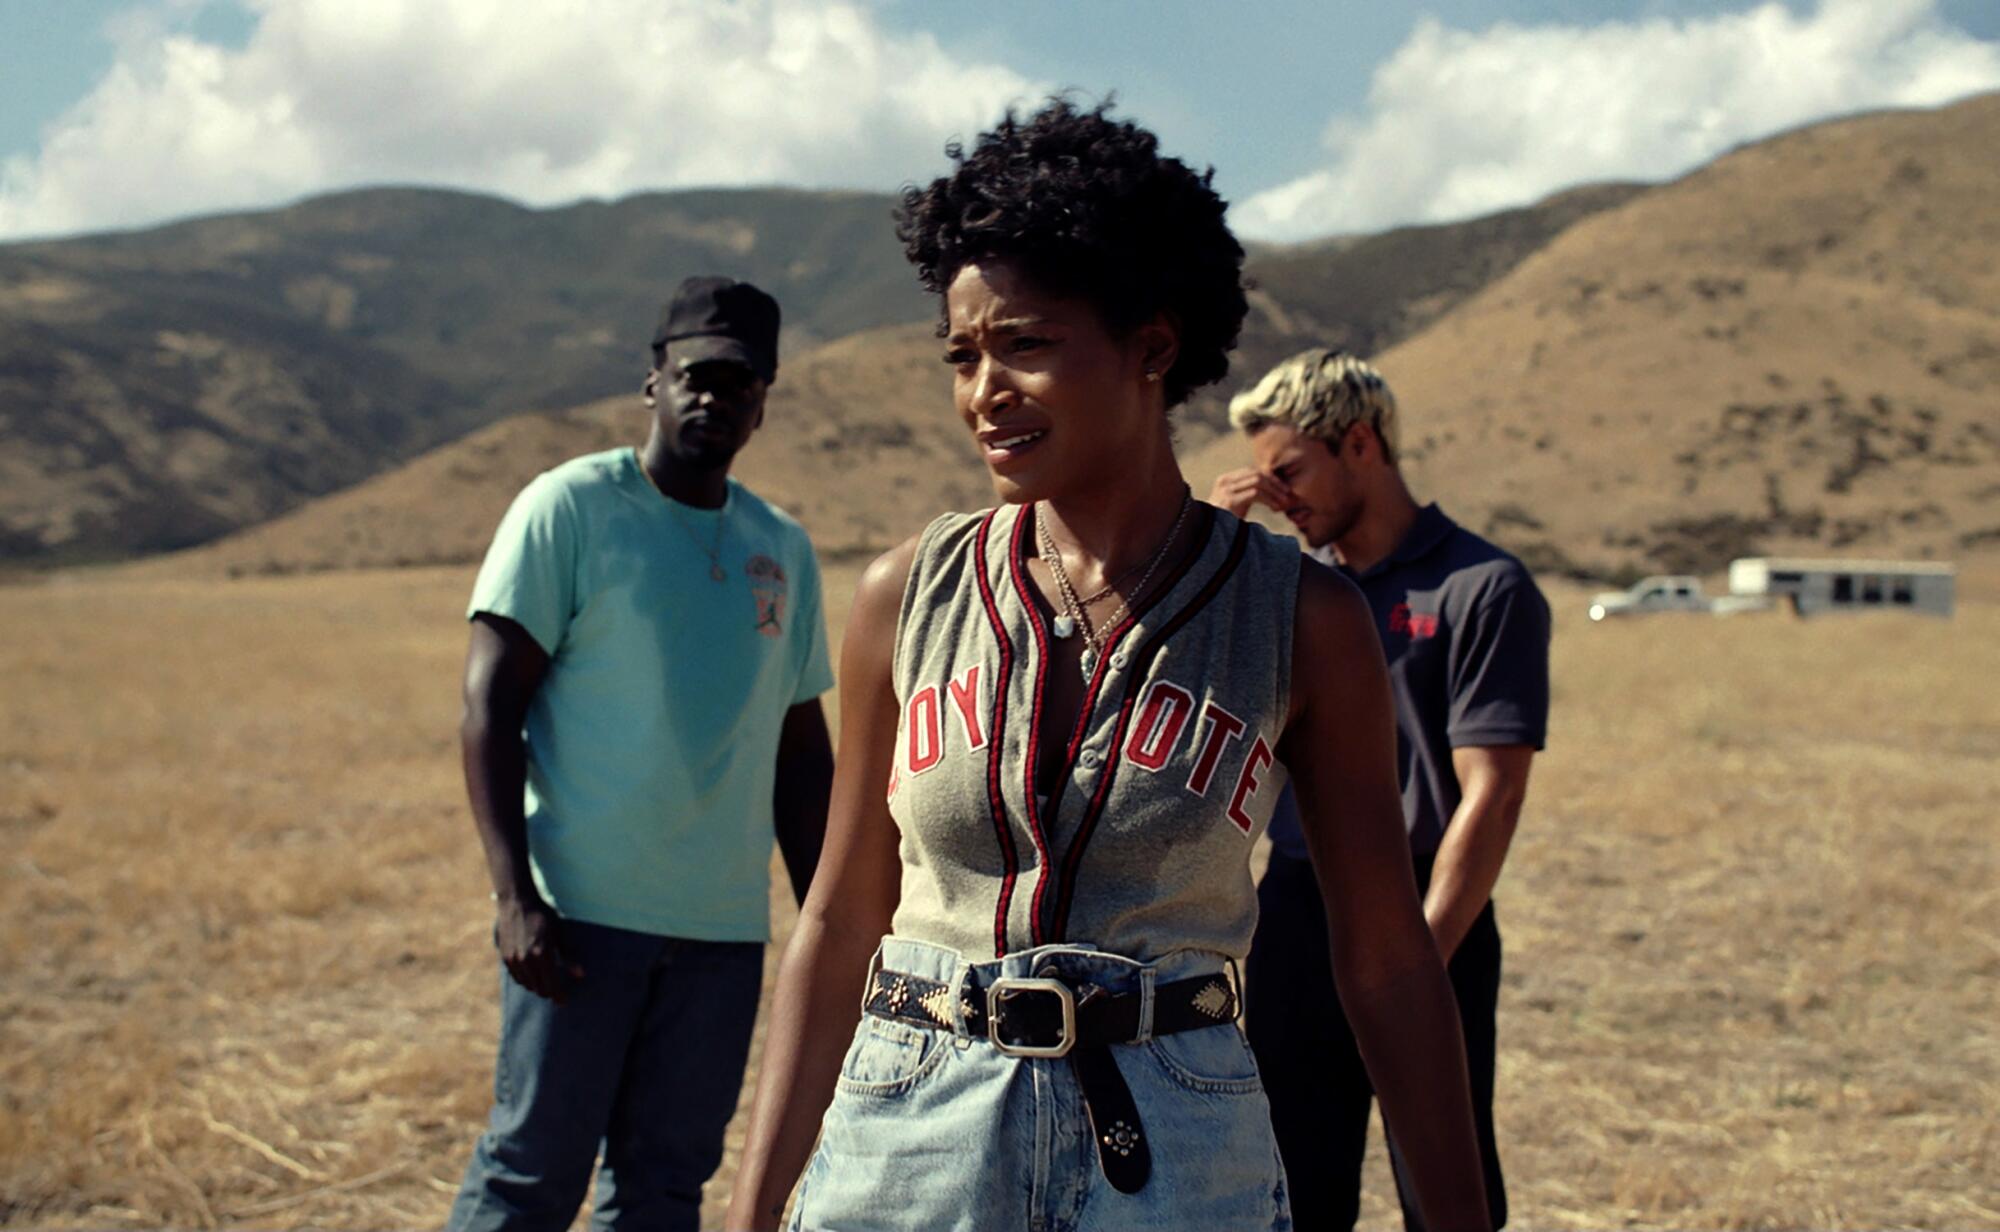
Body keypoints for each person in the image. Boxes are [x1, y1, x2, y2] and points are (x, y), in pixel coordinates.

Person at [724, 100, 1490, 1232]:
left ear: (1151, 344)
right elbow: (840, 918)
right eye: (961, 353)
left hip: (1176, 1140)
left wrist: (1458, 1216)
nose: (982, 388)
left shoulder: (1300, 618)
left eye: (1023, 343)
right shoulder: (906, 594)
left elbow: (1381, 952)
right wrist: (749, 1209)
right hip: (909, 1127)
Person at [444, 276, 835, 1232]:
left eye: (741, 382)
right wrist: (514, 898)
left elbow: (801, 761)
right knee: (531, 1176)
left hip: (719, 936)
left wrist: (831, 925)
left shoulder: (780, 547)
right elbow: (488, 707)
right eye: (696, 374)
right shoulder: (569, 508)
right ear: (652, 382)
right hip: (580, 920)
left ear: (765, 398)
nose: (717, 397)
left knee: (665, 1189)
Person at [1210, 350, 1550, 1231]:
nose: (1278, 496)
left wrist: (1417, 963)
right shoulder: (1290, 595)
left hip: (1427, 907)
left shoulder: (1483, 586)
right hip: (1294, 912)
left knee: (1444, 1189)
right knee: (1288, 1185)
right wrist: (1213, 557)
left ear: (1359, 444)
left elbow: (1493, 796)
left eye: (1289, 471)